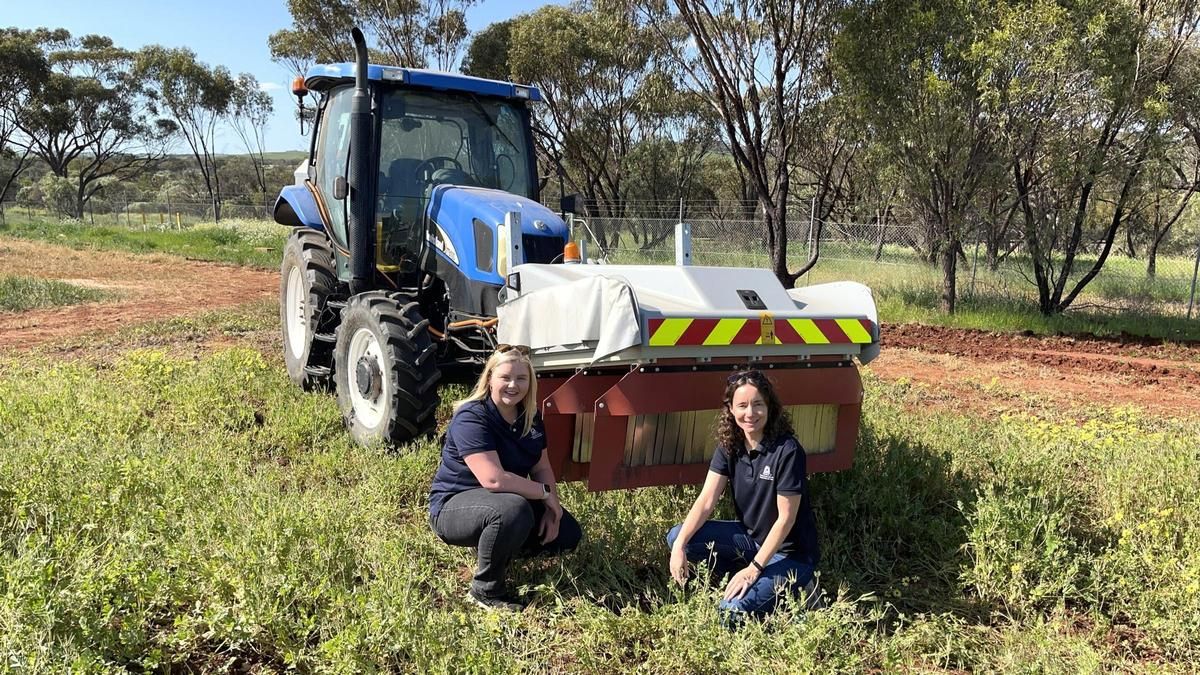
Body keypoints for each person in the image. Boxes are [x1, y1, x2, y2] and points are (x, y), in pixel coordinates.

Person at [429, 344, 582, 611]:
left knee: (568, 533)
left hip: (504, 502)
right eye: (505, 377)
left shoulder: (530, 418)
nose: (513, 385)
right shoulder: (472, 416)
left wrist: (552, 507)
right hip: (454, 507)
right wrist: (544, 493)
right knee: (512, 511)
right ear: (490, 379)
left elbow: (542, 467)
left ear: (530, 382)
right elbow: (494, 480)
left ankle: (497, 548)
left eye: (521, 378)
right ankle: (485, 590)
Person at [666, 369, 820, 621]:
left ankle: (797, 586)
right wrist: (680, 546)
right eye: (742, 405)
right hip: (752, 541)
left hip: (791, 555)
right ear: (730, 409)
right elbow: (706, 501)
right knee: (677, 537)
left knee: (731, 612)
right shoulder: (730, 446)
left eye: (758, 404)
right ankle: (745, 580)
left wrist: (754, 569)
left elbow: (785, 520)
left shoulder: (787, 451)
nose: (750, 413)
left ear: (769, 407)